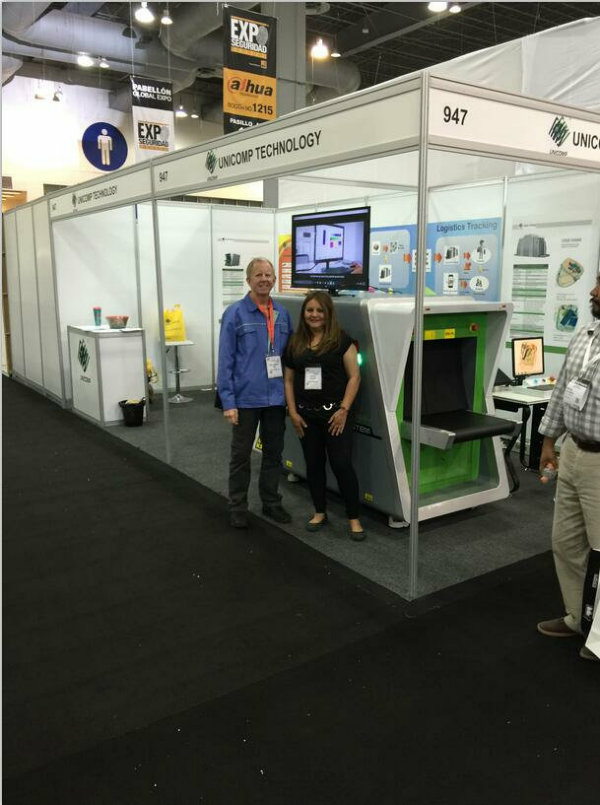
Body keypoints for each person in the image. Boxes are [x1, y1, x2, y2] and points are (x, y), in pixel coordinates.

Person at [537, 272, 600, 661]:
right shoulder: (585, 335)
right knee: (566, 542)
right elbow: (563, 391)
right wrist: (548, 440)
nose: (593, 291)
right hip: (574, 451)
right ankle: (580, 618)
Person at [217, 258, 293, 529]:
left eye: (268, 275)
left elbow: (289, 357)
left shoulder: (282, 314)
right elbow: (225, 360)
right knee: (241, 457)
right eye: (258, 275)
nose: (264, 279)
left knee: (274, 454)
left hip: (275, 398)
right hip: (245, 399)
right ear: (248, 280)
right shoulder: (235, 314)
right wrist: (228, 401)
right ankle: (237, 506)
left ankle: (271, 502)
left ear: (274, 280)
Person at [283, 291, 365, 540]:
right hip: (306, 418)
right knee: (314, 464)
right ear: (304, 314)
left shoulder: (341, 341)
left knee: (341, 465)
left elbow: (354, 376)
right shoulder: (295, 342)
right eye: (310, 310)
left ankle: (353, 518)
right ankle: (320, 512)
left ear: (328, 314)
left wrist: (344, 410)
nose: (314, 315)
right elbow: (288, 381)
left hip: (335, 417)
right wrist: (293, 412)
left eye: (320, 310)